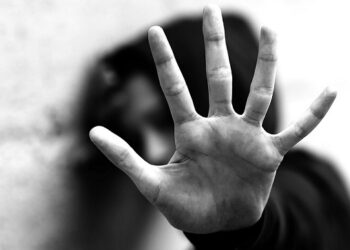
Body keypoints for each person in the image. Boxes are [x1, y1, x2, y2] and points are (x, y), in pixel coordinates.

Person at [81, 4, 350, 250]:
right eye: (131, 135)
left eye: (163, 121)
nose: (152, 152)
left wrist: (240, 230)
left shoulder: (312, 185)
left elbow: (302, 222)